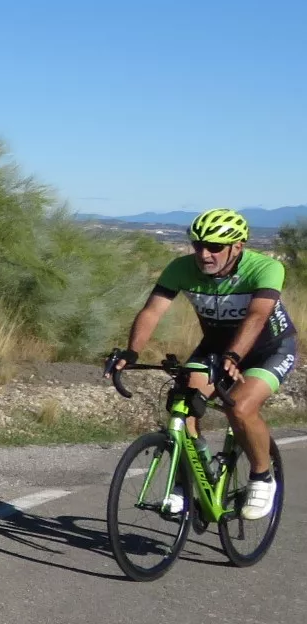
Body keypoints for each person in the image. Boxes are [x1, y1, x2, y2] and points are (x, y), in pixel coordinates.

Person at [106, 209, 296, 519]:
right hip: (216, 348)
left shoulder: (266, 268)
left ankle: (262, 476)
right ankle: (188, 479)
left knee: (240, 408)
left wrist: (234, 357)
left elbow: (257, 316)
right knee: (183, 405)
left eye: (215, 247)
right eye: (198, 245)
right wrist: (131, 353)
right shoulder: (181, 269)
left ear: (238, 246)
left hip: (269, 347)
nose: (204, 254)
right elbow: (153, 311)